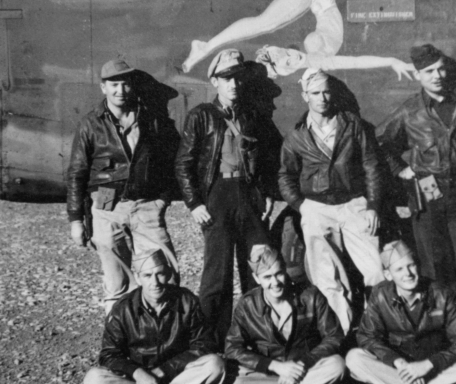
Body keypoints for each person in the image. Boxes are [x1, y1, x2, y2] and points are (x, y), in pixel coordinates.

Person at [377, 44, 456, 315]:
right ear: (419, 75)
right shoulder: (410, 110)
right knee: (433, 262)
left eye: (441, 68)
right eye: (429, 71)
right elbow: (380, 143)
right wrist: (400, 170)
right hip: (429, 188)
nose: (437, 75)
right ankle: (441, 322)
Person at [174, 49, 281, 348]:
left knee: (258, 269)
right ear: (214, 82)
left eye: (237, 78)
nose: (233, 84)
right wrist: (194, 204)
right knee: (216, 278)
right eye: (226, 78)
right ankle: (210, 344)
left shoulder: (253, 116)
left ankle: (259, 339)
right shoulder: (201, 116)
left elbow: (270, 157)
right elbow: (183, 163)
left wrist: (268, 193)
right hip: (217, 197)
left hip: (249, 196)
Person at [66, 59, 180, 314]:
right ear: (103, 87)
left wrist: (162, 199)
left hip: (145, 201)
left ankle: (166, 337)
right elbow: (77, 172)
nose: (120, 90)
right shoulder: (90, 124)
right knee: (117, 280)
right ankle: (118, 344)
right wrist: (76, 220)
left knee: (164, 272)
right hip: (106, 197)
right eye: (114, 84)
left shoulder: (151, 119)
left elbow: (170, 160)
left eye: (125, 84)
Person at [278, 68, 385, 333]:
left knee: (376, 270)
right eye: (315, 93)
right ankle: (342, 336)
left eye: (327, 91)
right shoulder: (297, 136)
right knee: (328, 278)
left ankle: (380, 331)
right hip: (317, 208)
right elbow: (285, 176)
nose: (323, 98)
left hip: (353, 204)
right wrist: (302, 206)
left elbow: (371, 166)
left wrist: (372, 206)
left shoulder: (353, 125)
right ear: (305, 96)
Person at [82, 250, 225, 384]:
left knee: (215, 364)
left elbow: (204, 345)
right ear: (137, 276)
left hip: (179, 377)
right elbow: (109, 355)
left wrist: (164, 370)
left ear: (169, 274)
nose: (155, 282)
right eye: (148, 275)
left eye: (160, 274)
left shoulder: (187, 301)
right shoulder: (123, 309)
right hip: (141, 383)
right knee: (93, 379)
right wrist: (138, 373)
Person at [181, 0, 415, 80]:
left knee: (266, 24)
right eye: (292, 64)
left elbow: (277, 57)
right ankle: (206, 46)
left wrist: (269, 65)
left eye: (288, 57)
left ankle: (207, 46)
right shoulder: (319, 62)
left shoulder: (297, 56)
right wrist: (392, 61)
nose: (295, 58)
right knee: (267, 23)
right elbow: (357, 62)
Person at [346, 241, 456, 384]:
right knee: (354, 359)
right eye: (399, 269)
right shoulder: (380, 295)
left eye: (411, 266)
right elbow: (367, 336)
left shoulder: (442, 294)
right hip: (399, 369)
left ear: (418, 266)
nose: (408, 274)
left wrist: (428, 365)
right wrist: (398, 362)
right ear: (388, 275)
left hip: (434, 367)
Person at [226, 245, 346, 384]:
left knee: (337, 365)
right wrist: (274, 366)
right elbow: (232, 348)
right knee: (232, 378)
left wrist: (304, 364)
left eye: (279, 274)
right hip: (270, 372)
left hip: (306, 367)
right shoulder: (247, 305)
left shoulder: (310, 295)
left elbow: (334, 336)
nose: (275, 283)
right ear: (256, 278)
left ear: (285, 270)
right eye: (267, 277)